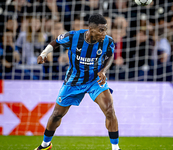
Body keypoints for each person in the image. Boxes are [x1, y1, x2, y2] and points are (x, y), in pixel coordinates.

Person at [34, 13, 121, 150]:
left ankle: (115, 148)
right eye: (101, 30)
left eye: (105, 29)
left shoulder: (107, 41)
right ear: (91, 29)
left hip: (95, 81)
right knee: (57, 115)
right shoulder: (73, 37)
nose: (104, 33)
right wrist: (43, 54)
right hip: (73, 81)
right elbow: (55, 42)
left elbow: (110, 56)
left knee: (110, 110)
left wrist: (103, 70)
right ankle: (45, 144)